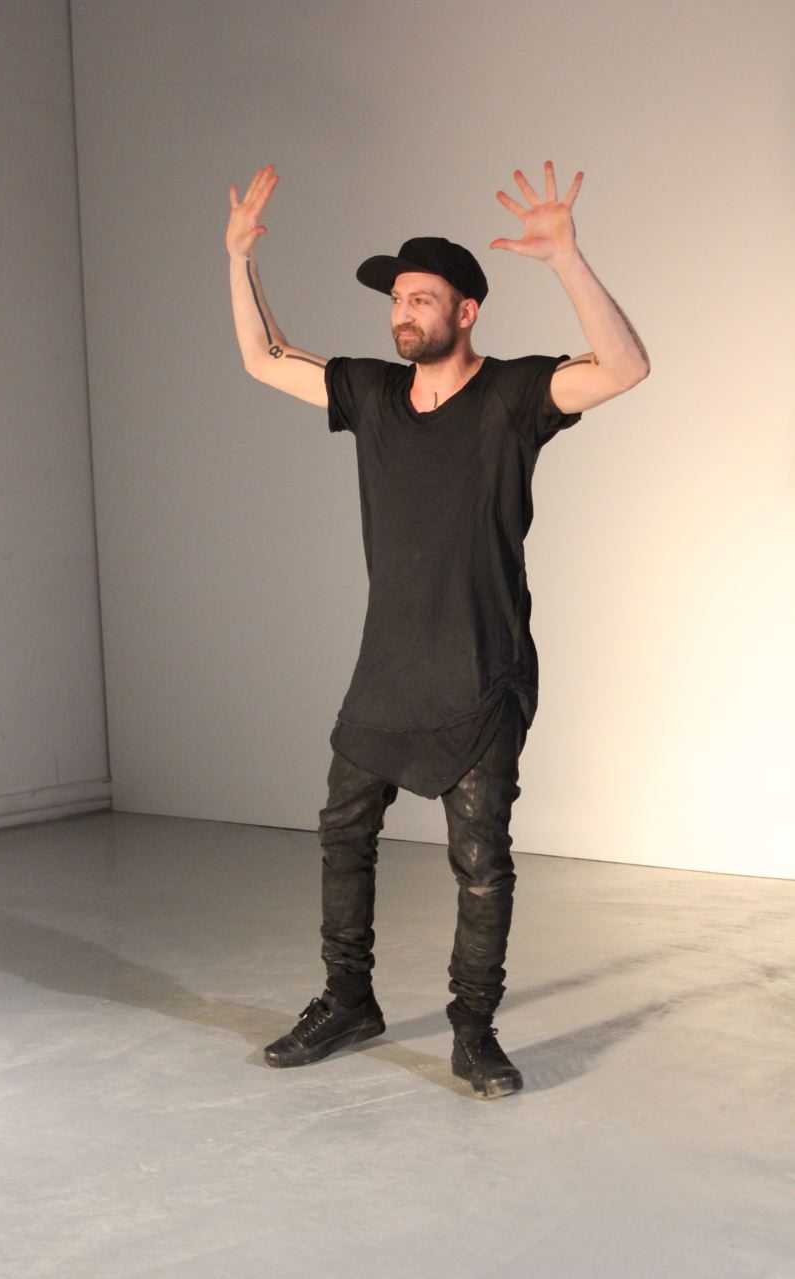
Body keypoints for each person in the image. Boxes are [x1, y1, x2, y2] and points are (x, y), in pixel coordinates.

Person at [225, 161, 649, 1099]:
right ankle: (347, 1000)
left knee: (480, 861)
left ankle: (473, 1029)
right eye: (395, 300)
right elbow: (265, 358)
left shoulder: (513, 396)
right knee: (342, 831)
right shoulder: (371, 393)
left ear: (465, 311)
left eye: (421, 299)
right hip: (388, 667)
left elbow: (624, 368)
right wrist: (237, 259)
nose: (402, 314)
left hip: (481, 668)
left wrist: (567, 258)